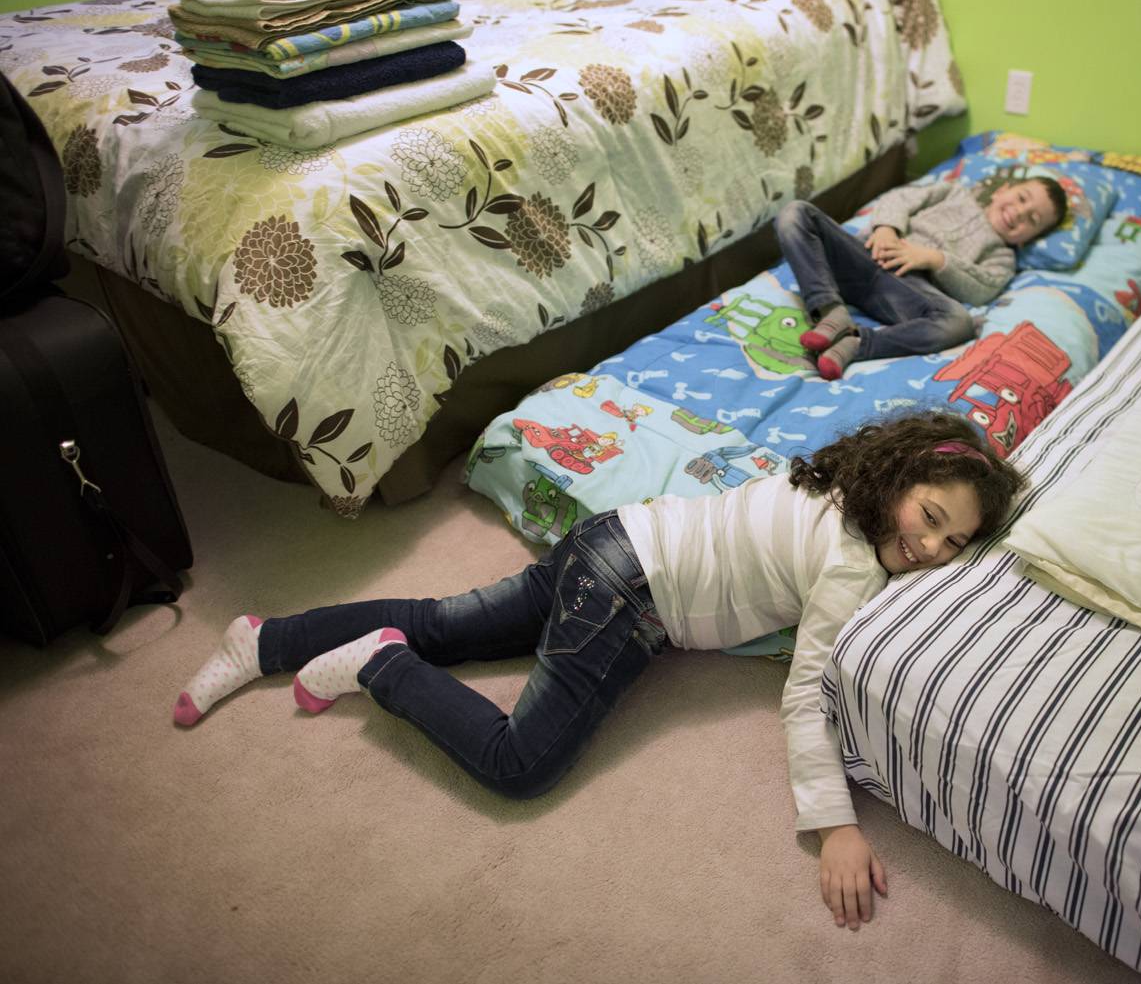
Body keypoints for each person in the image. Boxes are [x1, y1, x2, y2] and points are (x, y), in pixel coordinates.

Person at [172, 410, 1027, 931]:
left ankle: (264, 638)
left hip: (613, 537)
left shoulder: (836, 480)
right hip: (629, 597)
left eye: (954, 542)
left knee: (448, 622)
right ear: (901, 477)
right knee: (519, 761)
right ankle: (381, 665)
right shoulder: (849, 565)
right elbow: (806, 693)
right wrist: (833, 823)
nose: (930, 547)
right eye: (930, 516)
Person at [775, 176, 1067, 380]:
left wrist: (935, 259)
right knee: (795, 213)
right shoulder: (953, 193)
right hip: (864, 256)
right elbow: (900, 198)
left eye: (1032, 219)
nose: (1019, 212)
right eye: (1021, 198)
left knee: (959, 322)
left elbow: (981, 290)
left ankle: (856, 344)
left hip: (905, 292)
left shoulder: (1003, 258)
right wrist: (887, 228)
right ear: (1002, 190)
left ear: (1030, 239)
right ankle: (830, 310)